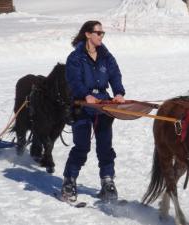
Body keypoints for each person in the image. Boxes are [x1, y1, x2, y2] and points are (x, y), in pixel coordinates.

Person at [61, 21, 126, 202]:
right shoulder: (75, 57)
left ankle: (107, 182)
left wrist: (119, 92)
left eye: (103, 33)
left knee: (105, 146)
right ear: (88, 34)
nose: (101, 36)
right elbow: (74, 81)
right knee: (82, 147)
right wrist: (85, 94)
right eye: (98, 32)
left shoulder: (106, 56)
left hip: (103, 105)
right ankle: (69, 181)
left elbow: (115, 75)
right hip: (82, 106)